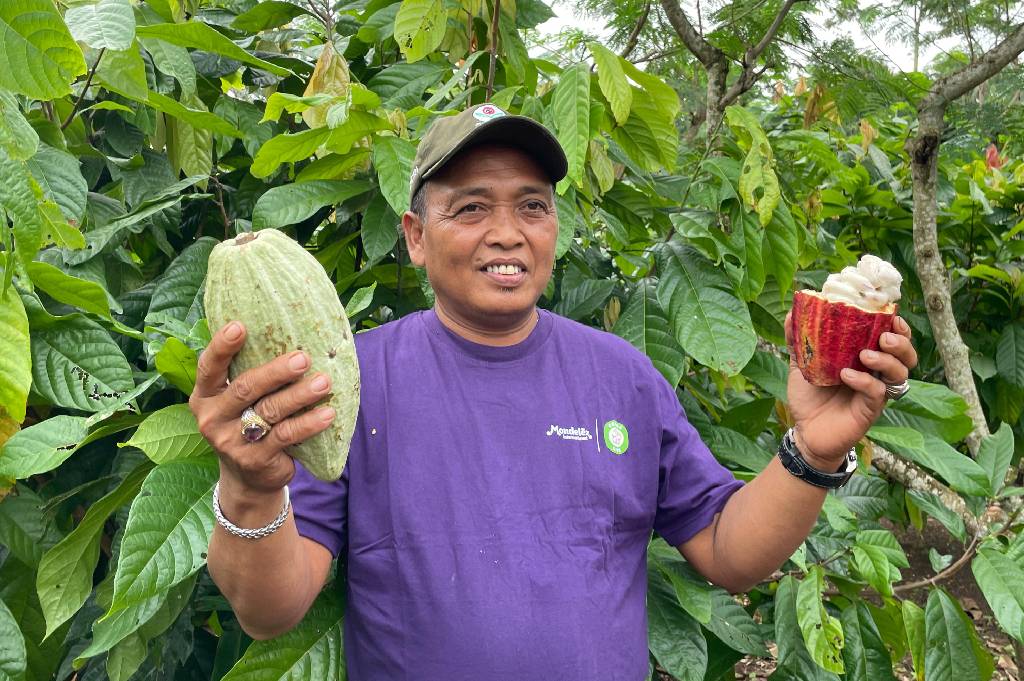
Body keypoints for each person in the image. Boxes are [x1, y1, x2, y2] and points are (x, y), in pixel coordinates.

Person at [190, 104, 918, 679]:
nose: (507, 232)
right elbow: (271, 610)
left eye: (531, 206)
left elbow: (729, 552)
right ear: (414, 235)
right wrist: (249, 489)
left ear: (555, 226)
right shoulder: (347, 383)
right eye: (471, 207)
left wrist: (814, 449)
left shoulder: (624, 375)